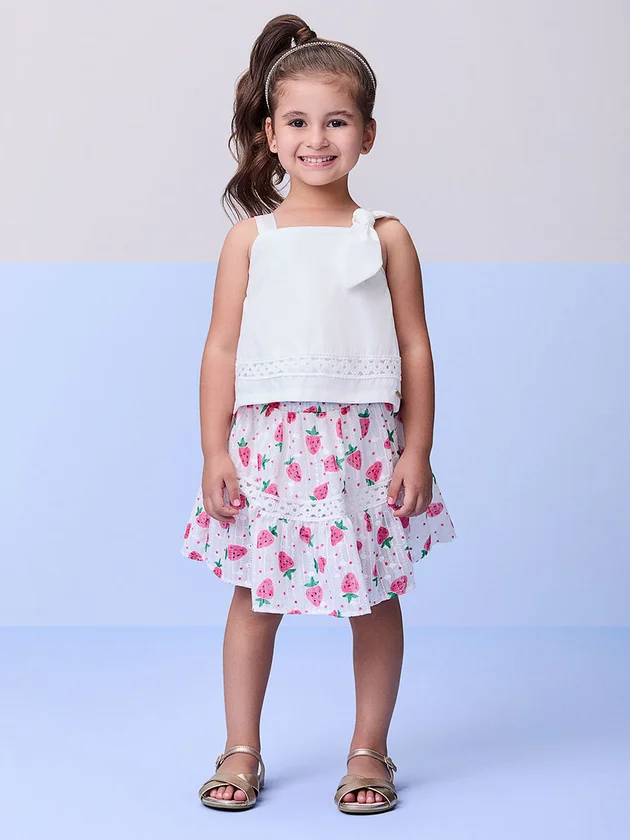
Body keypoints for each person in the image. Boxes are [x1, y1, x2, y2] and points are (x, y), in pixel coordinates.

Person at [180, 13, 457, 814]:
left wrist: (417, 450)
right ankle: (241, 747)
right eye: (298, 122)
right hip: (270, 446)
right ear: (270, 134)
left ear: (367, 133)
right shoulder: (252, 239)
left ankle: (369, 750)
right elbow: (221, 351)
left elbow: (415, 349)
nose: (317, 138)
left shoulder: (385, 235)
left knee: (374, 598)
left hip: (364, 444)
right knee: (253, 596)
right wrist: (214, 451)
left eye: (336, 121)